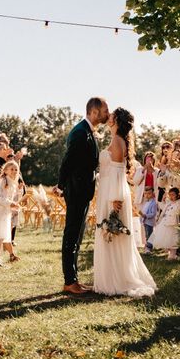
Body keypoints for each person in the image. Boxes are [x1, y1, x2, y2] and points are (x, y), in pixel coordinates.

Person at [93, 107, 156, 296]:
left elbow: (119, 174)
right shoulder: (116, 140)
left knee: (113, 236)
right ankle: (111, 277)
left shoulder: (118, 141)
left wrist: (115, 199)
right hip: (107, 191)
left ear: (116, 121)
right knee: (109, 236)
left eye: (111, 115)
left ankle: (118, 279)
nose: (108, 117)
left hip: (114, 195)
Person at [55, 97, 108, 294]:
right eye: (105, 111)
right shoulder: (80, 132)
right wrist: (61, 186)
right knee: (72, 234)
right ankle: (69, 281)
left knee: (77, 235)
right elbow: (67, 162)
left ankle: (73, 279)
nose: (107, 114)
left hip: (82, 190)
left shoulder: (88, 131)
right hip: (76, 190)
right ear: (94, 112)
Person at [148, 187, 180, 260]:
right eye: (170, 195)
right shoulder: (168, 203)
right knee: (166, 238)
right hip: (165, 222)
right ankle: (169, 253)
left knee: (173, 239)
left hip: (173, 223)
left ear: (177, 195)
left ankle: (173, 255)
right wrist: (163, 200)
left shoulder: (179, 203)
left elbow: (178, 209)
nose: (171, 197)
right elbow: (162, 207)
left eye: (173, 195)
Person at [140, 186, 157, 253]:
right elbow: (144, 211)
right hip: (145, 221)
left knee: (149, 234)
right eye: (145, 193)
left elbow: (153, 214)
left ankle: (149, 247)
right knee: (146, 234)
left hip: (149, 222)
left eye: (149, 193)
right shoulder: (146, 202)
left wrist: (145, 215)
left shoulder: (153, 203)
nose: (147, 195)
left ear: (153, 194)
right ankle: (147, 245)